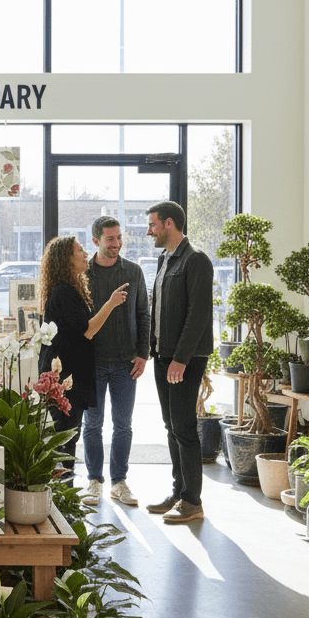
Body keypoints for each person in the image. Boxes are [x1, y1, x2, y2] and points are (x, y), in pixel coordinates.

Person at [36, 235, 130, 481]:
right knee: (65, 439)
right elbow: (86, 331)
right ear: (67, 259)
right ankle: (62, 502)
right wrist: (110, 304)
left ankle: (63, 500)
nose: (86, 253)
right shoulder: (64, 292)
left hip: (68, 374)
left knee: (68, 437)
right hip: (64, 377)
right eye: (79, 250)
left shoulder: (68, 289)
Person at [143, 201, 214, 525]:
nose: (149, 231)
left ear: (169, 224)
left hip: (184, 359)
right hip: (163, 355)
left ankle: (192, 500)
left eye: (153, 225)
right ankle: (178, 491)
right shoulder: (165, 259)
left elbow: (197, 315)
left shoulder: (195, 260)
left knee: (184, 427)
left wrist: (181, 360)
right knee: (171, 427)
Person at [81, 216, 150, 507]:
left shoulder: (133, 272)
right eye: (110, 239)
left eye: (119, 237)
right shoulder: (83, 273)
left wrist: (144, 354)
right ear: (96, 241)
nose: (117, 244)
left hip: (126, 362)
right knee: (92, 425)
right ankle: (94, 481)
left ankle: (119, 482)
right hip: (93, 361)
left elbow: (144, 314)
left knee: (123, 425)